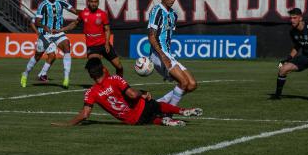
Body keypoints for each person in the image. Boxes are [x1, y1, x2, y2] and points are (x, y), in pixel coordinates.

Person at [51, 58, 203, 127]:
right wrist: (142, 92)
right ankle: (182, 111)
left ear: (91, 75)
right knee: (156, 105)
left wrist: (67, 124)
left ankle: (163, 121)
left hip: (132, 121)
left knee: (147, 120)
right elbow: (131, 94)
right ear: (104, 69)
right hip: (141, 108)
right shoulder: (115, 79)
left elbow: (85, 115)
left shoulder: (91, 93)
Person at [148, 0, 197, 106]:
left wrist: (167, 55)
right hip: (158, 55)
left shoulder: (173, 15)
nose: (172, 0)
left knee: (191, 85)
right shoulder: (157, 10)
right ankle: (168, 114)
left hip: (168, 54)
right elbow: (151, 36)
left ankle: (157, 105)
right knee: (183, 83)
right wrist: (162, 56)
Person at [59, 0, 124, 76]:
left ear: (98, 3)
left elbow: (107, 30)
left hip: (103, 44)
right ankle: (106, 83)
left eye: (96, 2)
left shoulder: (103, 14)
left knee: (119, 66)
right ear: (88, 2)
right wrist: (62, 29)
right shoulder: (83, 13)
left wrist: (107, 44)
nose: (94, 4)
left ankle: (120, 82)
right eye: (92, 2)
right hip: (92, 47)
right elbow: (74, 24)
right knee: (95, 68)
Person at [34, 0, 77, 88]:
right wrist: (39, 31)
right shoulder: (43, 6)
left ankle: (65, 77)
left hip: (57, 32)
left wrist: (85, 12)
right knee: (38, 56)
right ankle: (30, 72)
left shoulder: (61, 2)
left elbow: (74, 10)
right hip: (46, 35)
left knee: (65, 47)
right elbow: (34, 22)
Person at [20, 19, 56, 87]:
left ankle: (42, 75)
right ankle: (25, 74)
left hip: (51, 38)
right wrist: (37, 32)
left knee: (52, 55)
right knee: (37, 56)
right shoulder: (42, 12)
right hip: (42, 38)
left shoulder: (56, 13)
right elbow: (32, 23)